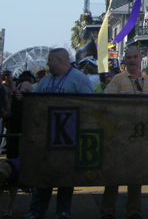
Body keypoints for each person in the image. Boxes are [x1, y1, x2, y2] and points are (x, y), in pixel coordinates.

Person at [23, 49, 93, 219]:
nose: (47, 63)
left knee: (66, 177)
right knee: (43, 176)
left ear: (60, 61)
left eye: (49, 60)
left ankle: (63, 211)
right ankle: (36, 210)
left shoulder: (79, 79)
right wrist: (23, 92)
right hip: (46, 139)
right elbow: (34, 102)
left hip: (69, 139)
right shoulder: (46, 80)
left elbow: (91, 106)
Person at [100, 45, 148, 219]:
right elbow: (108, 102)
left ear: (141, 59)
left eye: (135, 57)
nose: (132, 60)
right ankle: (107, 212)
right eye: (129, 58)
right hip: (119, 135)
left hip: (140, 136)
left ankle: (133, 212)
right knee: (113, 176)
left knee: (136, 175)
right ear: (125, 60)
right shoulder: (117, 80)